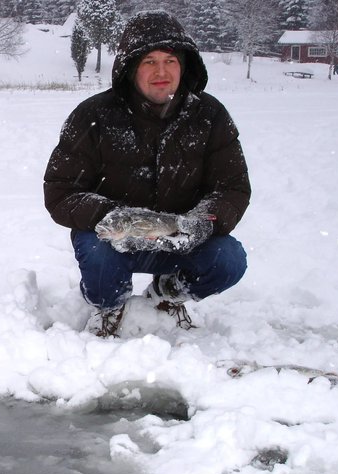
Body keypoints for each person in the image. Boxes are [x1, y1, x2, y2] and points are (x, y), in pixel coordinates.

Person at [43, 10, 251, 337]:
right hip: (116, 238)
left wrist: (200, 222)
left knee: (229, 259)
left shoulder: (211, 116)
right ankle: (109, 305)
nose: (161, 72)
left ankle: (166, 294)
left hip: (178, 238)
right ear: (130, 68)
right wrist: (116, 217)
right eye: (149, 62)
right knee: (97, 259)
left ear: (184, 65)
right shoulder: (92, 116)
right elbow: (60, 191)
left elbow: (232, 189)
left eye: (170, 60)